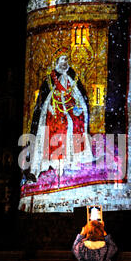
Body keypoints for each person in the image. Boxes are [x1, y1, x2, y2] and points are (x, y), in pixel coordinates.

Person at [22, 51, 93, 184]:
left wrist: (78, 108)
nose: (64, 62)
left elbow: (79, 95)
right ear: (57, 62)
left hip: (70, 110)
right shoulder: (50, 79)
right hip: (53, 112)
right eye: (62, 59)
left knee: (75, 125)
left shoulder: (73, 76)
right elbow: (43, 101)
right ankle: (50, 164)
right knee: (55, 129)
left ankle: (74, 161)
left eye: (66, 59)